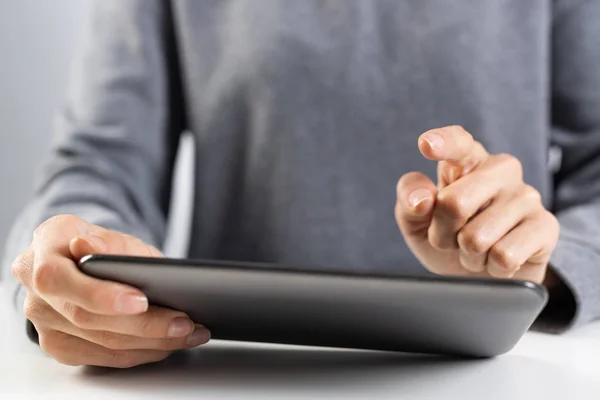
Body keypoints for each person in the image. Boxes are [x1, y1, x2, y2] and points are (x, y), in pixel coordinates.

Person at [2, 0, 599, 368]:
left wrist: (534, 261)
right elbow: (103, 161)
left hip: (508, 376)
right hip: (234, 369)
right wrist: (74, 268)